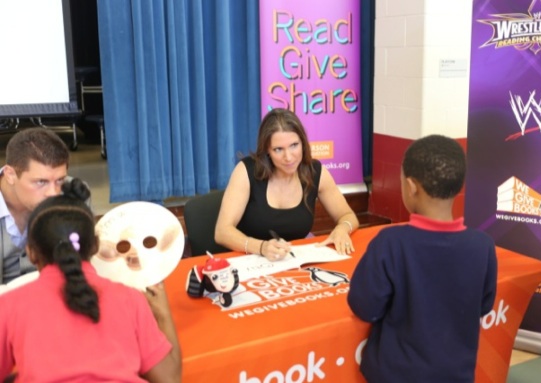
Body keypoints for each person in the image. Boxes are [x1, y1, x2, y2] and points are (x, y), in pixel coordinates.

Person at [347, 134, 498, 382]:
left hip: (395, 374)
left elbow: (364, 306)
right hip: (455, 374)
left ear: (411, 186)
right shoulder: (482, 246)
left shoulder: (390, 242)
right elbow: (483, 305)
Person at [0, 178, 182, 382]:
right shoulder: (129, 299)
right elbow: (169, 379)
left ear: (31, 253)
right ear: (95, 246)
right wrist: (164, 315)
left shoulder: (10, 306)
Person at [215, 108, 359, 260]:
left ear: (303, 143)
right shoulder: (246, 171)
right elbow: (222, 232)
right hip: (248, 260)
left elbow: (348, 216)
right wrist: (261, 247)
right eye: (278, 149)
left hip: (294, 263)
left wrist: (342, 229)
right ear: (267, 150)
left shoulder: (315, 172)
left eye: (294, 145)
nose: (288, 157)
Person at [0, 127, 70, 285]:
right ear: (10, 174)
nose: (53, 193)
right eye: (41, 182)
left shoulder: (75, 196)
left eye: (60, 180)